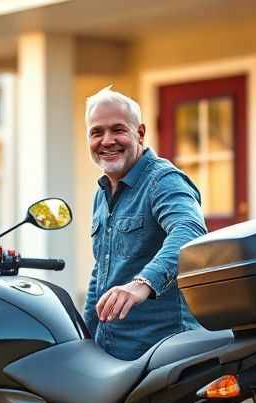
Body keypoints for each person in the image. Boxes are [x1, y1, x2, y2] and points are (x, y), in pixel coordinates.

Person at [82, 86, 207, 361]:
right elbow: (102, 272)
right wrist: (83, 337)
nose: (107, 140)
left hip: (161, 354)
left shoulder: (163, 181)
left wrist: (142, 283)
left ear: (140, 133)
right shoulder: (103, 192)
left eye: (118, 130)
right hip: (112, 352)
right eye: (96, 132)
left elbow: (189, 230)